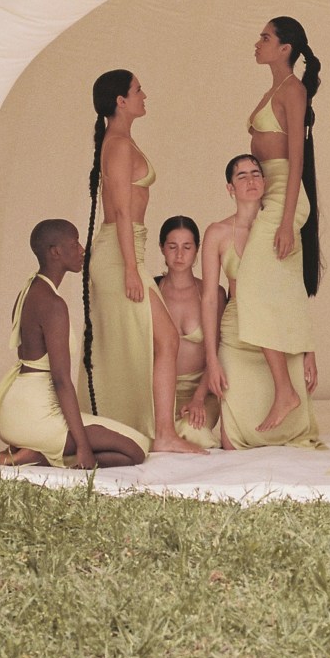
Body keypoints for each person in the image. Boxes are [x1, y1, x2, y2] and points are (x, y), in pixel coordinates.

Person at [80, 70, 193, 451]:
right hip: (119, 254)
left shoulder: (121, 142)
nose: (145, 94)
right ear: (121, 102)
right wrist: (131, 268)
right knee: (163, 339)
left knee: (159, 341)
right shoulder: (118, 145)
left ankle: (161, 432)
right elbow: (122, 213)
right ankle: (161, 433)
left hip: (127, 251)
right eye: (138, 89)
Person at [0, 219, 155, 468]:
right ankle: (39, 453)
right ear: (56, 252)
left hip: (17, 410)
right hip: (36, 415)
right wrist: (83, 446)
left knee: (135, 440)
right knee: (135, 450)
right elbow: (61, 380)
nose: (82, 249)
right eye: (75, 244)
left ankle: (35, 453)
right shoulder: (53, 304)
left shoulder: (29, 289)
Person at [200, 155, 324, 450]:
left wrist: (309, 350)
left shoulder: (281, 230)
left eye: (256, 173)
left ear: (266, 182)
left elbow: (294, 290)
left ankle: (286, 397)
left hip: (278, 333)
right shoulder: (217, 233)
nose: (251, 180)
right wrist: (211, 358)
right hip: (238, 333)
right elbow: (208, 298)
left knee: (295, 434)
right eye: (241, 176)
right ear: (230, 188)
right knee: (232, 443)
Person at [240, 17, 323, 436]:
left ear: (285, 48)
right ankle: (290, 383)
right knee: (268, 288)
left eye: (266, 37)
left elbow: (297, 160)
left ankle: (285, 390)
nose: (258, 43)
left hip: (287, 198)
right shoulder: (273, 90)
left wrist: (288, 220)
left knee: (251, 281)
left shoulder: (293, 90)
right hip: (270, 197)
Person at [152, 215, 220, 448]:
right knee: (142, 434)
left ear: (197, 250)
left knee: (194, 432)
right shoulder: (152, 292)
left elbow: (218, 351)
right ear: (161, 248)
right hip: (156, 393)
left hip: (200, 390)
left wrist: (199, 398)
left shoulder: (213, 294)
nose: (179, 255)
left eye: (187, 247)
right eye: (172, 247)